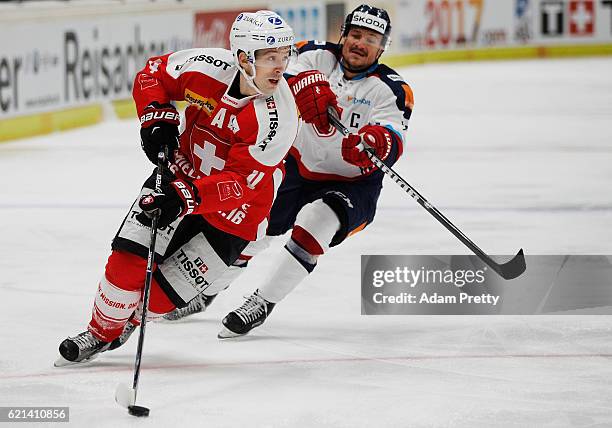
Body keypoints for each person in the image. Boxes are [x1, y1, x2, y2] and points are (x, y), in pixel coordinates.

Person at [55, 10, 299, 364]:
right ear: (244, 58)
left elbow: (240, 184)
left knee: (161, 297)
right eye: (271, 58)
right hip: (178, 173)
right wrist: (156, 118)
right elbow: (153, 74)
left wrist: (188, 197)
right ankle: (99, 332)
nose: (281, 67)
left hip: (233, 214)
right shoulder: (206, 67)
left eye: (285, 56)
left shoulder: (279, 118)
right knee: (126, 261)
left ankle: (132, 318)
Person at [163, 4, 415, 339]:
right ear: (343, 34)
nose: (360, 43)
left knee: (319, 222)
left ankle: (262, 302)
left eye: (370, 39)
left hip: (355, 183)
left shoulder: (393, 89)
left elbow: (393, 134)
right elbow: (281, 65)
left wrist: (376, 142)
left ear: (383, 46)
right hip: (297, 165)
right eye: (355, 34)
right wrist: (307, 83)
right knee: (255, 231)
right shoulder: (315, 55)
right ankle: (208, 290)